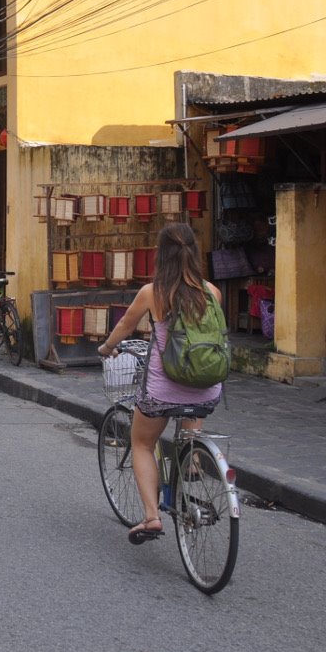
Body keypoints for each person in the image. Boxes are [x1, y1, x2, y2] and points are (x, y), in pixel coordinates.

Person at [96, 222, 225, 545]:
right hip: (209, 385)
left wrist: (107, 348)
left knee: (141, 443)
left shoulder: (153, 292)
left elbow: (125, 325)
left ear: (161, 255)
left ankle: (152, 517)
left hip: (163, 389)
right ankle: (193, 455)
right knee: (192, 396)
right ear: (193, 253)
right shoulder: (212, 292)